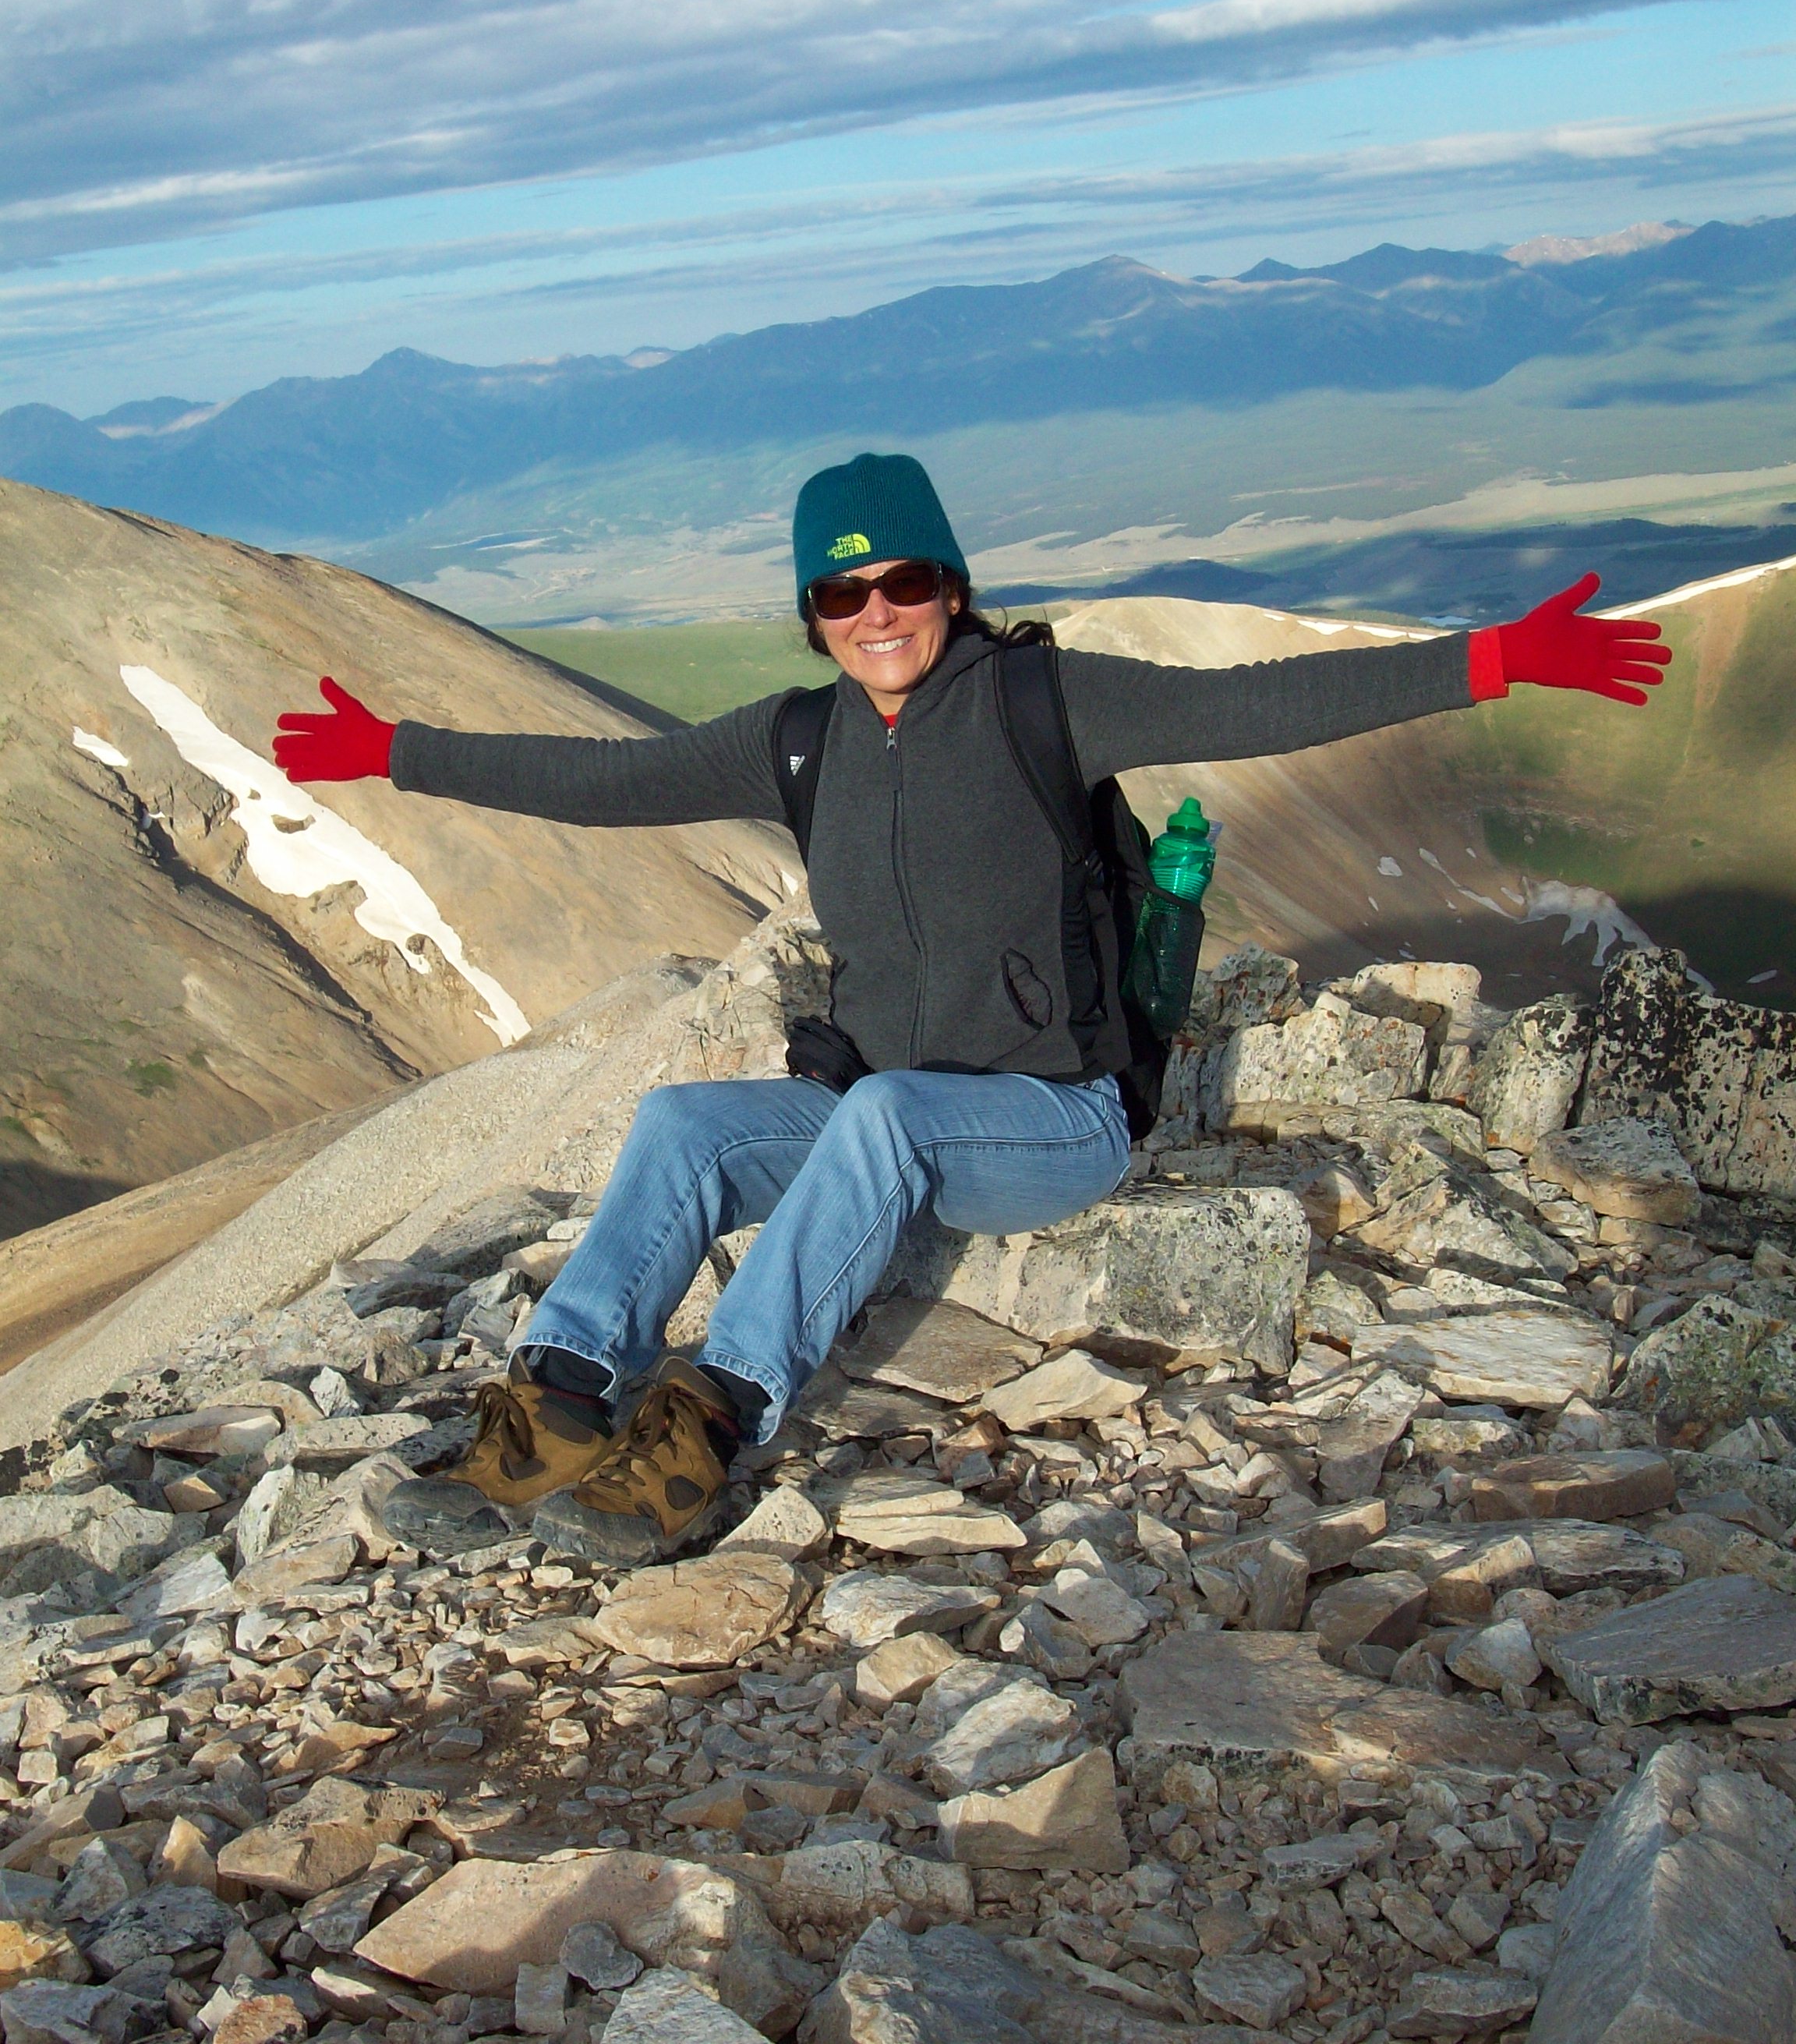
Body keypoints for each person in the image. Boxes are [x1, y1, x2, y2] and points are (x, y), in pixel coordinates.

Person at [272, 452, 1670, 1565]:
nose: (876, 613)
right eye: (842, 594)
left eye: (905, 580)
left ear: (952, 586)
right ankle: (560, 1405)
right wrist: (398, 751)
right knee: (687, 1123)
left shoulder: (1042, 702)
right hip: (879, 1119)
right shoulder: (799, 741)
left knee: (881, 1113)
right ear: (813, 616)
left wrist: (1491, 659)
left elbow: (1258, 705)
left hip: (1053, 1121)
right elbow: (607, 781)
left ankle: (709, 1424)